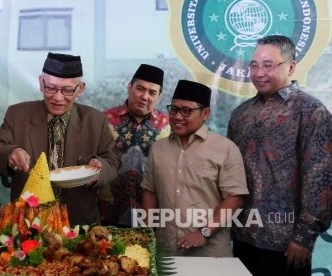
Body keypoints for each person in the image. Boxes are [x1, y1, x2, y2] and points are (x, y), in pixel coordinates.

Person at [227, 35, 332, 276]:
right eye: (254, 65)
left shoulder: (310, 111)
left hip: (286, 244)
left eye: (268, 65)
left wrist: (305, 237)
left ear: (291, 66)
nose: (259, 72)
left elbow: (320, 177)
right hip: (242, 237)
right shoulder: (241, 114)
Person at [0, 52, 120, 226]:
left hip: (79, 223)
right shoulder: (18, 115)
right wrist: (10, 153)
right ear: (41, 83)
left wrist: (100, 168)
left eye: (67, 90)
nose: (58, 97)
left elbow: (113, 162)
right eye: (51, 88)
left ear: (80, 89)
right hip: (29, 225)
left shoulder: (95, 120)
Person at [141, 80, 248, 257]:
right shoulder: (158, 148)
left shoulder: (225, 149)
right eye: (174, 109)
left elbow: (235, 199)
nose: (177, 116)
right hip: (165, 250)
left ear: (205, 113)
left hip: (209, 253)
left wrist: (204, 232)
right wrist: (146, 235)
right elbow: (149, 192)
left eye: (186, 111)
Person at [100, 64, 170, 227]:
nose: (145, 96)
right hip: (108, 213)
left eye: (152, 92)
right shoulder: (105, 119)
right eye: (140, 89)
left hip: (150, 216)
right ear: (129, 87)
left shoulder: (167, 126)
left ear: (159, 96)